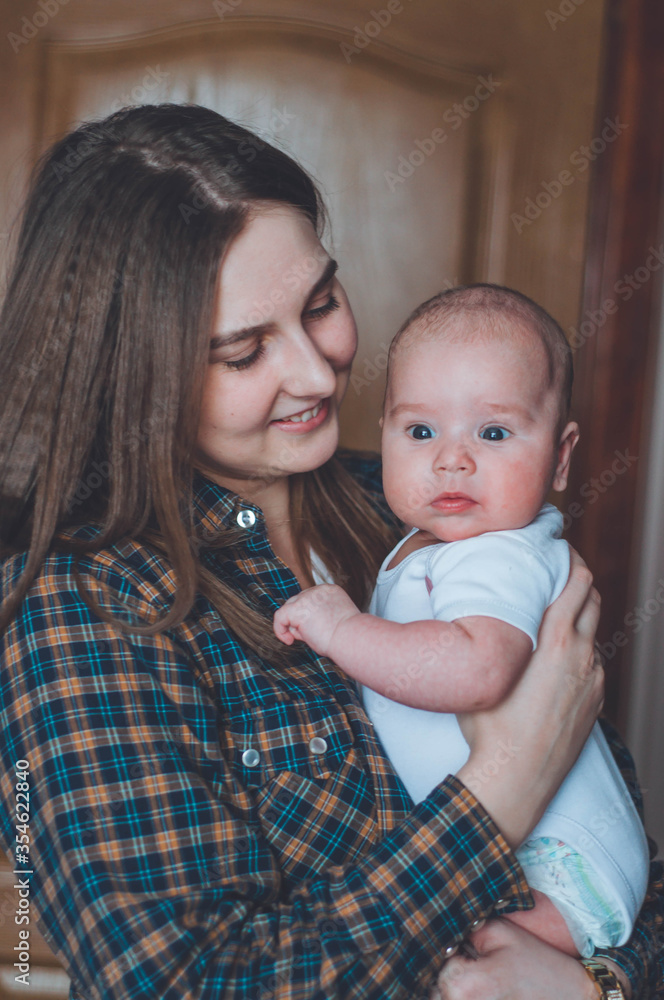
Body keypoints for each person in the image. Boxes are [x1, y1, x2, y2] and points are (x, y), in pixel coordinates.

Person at [0, 103, 660, 1000]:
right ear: (134, 370)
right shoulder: (78, 606)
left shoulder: (424, 504)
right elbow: (182, 983)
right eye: (243, 352)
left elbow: (619, 841)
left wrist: (601, 987)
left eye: (321, 305)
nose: (318, 373)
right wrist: (503, 785)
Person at [273, 283, 650, 960]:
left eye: (494, 432)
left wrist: (340, 630)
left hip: (554, 868)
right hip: (540, 855)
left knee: (439, 953)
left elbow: (476, 668)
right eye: (420, 431)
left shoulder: (497, 553)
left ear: (561, 458)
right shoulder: (439, 540)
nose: (453, 458)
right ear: (384, 432)